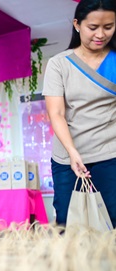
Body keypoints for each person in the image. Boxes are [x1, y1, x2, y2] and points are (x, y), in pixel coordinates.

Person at [43, 0, 116, 227]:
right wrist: (73, 152)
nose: (101, 34)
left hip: (110, 152)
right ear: (77, 24)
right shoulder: (59, 64)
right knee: (66, 220)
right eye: (93, 27)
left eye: (108, 27)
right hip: (67, 156)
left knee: (112, 219)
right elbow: (56, 114)